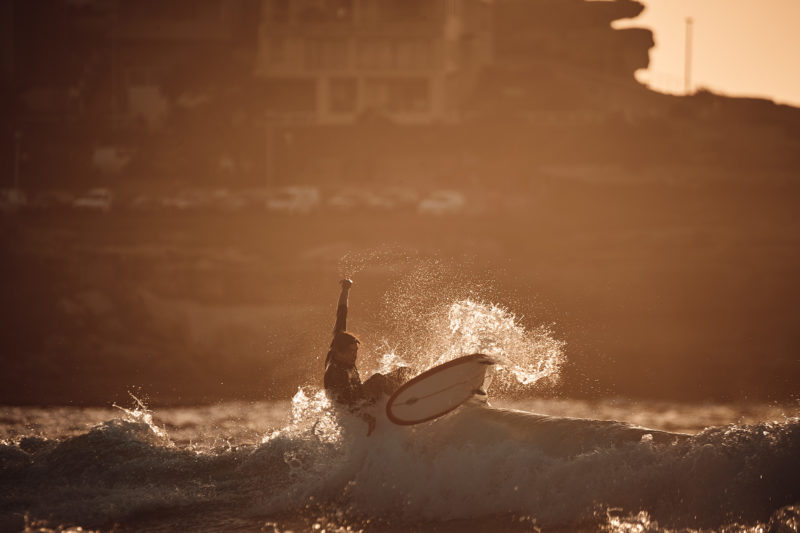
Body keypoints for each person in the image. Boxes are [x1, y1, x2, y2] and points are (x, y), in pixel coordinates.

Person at [323, 279, 411, 434]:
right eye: (351, 353)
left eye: (355, 352)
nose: (354, 356)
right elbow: (347, 404)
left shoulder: (338, 340)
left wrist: (345, 289)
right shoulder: (336, 373)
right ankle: (408, 399)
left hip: (359, 397)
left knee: (404, 372)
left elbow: (341, 313)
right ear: (339, 352)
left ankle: (414, 390)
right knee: (378, 380)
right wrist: (366, 418)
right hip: (357, 404)